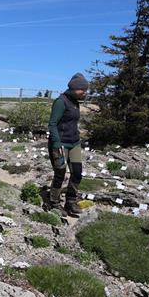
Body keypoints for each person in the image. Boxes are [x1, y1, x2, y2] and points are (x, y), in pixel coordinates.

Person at [47, 72, 88, 216]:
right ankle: (54, 202)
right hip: (61, 143)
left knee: (77, 173)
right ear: (74, 88)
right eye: (82, 89)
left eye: (85, 90)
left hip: (74, 143)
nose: (84, 92)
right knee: (60, 173)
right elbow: (52, 124)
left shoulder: (76, 102)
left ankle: (70, 201)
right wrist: (56, 143)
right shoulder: (61, 102)